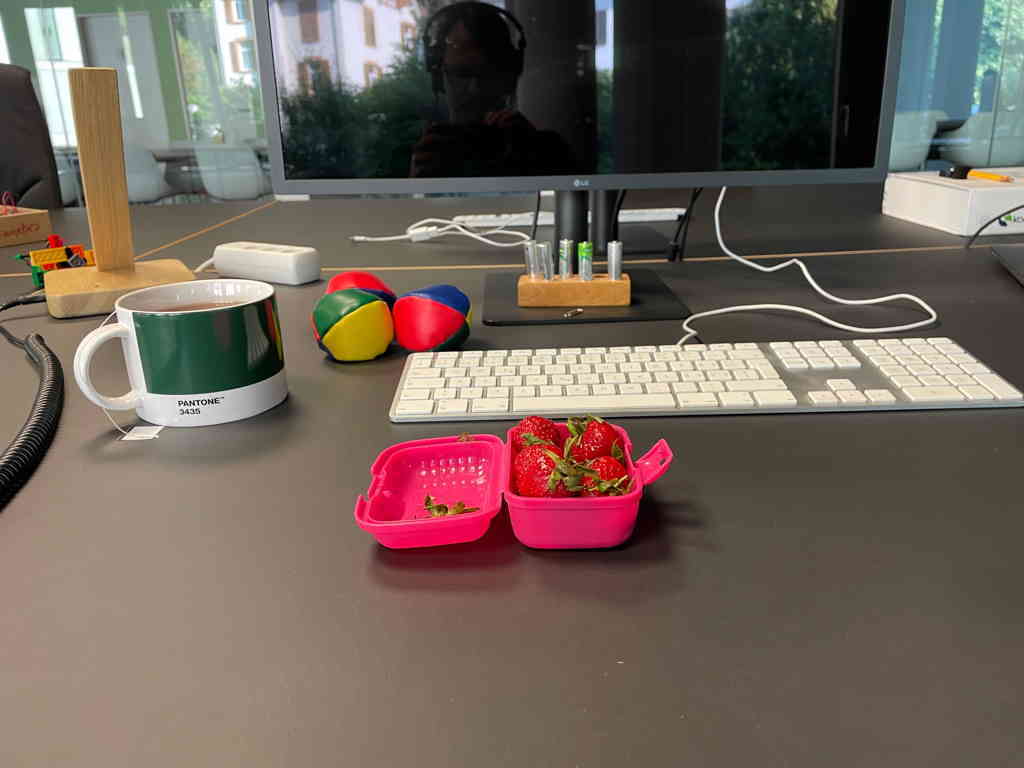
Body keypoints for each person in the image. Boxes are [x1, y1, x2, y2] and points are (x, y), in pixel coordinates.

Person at [411, 1, 574, 178]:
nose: (474, 88)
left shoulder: (543, 150)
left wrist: (538, 156)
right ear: (439, 79)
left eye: (486, 74)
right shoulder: (428, 151)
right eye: (462, 74)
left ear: (509, 78)